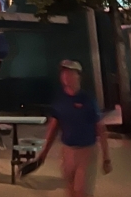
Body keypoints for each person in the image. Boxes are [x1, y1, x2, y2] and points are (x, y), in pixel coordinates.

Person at [35, 59, 111, 197]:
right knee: (70, 191)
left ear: (78, 76)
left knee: (81, 191)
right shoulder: (60, 101)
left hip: (86, 151)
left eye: (70, 73)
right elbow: (53, 127)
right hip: (67, 151)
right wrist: (43, 154)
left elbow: (100, 128)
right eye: (63, 73)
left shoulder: (87, 100)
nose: (66, 76)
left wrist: (106, 158)